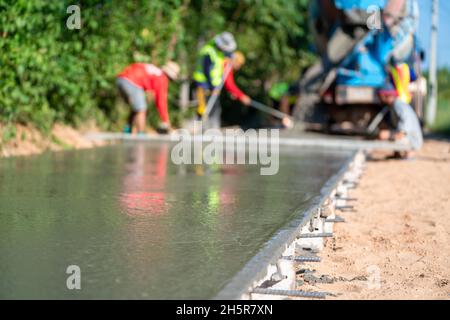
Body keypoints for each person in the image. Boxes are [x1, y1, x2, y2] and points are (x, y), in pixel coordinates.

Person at [193, 32, 250, 129]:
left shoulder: (218, 52)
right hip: (203, 84)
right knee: (202, 108)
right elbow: (206, 71)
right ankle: (198, 128)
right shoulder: (209, 51)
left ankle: (209, 129)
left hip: (212, 85)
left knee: (213, 108)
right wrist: (212, 86)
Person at [117, 61, 180, 134]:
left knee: (137, 107)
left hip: (121, 79)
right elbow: (161, 101)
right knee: (141, 109)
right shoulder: (162, 78)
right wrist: (166, 120)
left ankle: (127, 130)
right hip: (131, 82)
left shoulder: (156, 71)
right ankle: (141, 134)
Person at [377, 83, 423, 159]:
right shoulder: (394, 105)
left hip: (413, 140)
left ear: (385, 95)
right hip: (411, 137)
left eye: (380, 96)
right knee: (392, 133)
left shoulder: (398, 105)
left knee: (391, 135)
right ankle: (398, 153)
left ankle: (410, 152)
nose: (380, 98)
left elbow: (405, 129)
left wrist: (389, 135)